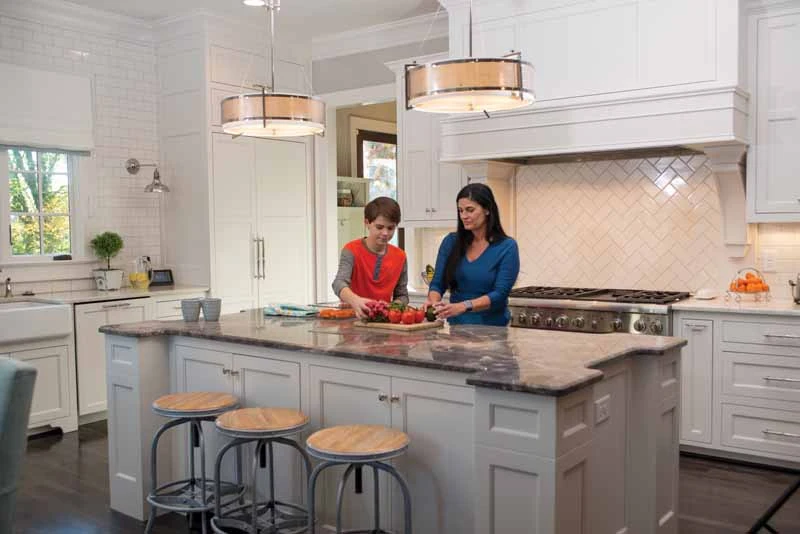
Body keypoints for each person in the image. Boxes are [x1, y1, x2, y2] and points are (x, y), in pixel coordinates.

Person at [425, 183, 520, 326]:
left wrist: (464, 306)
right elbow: (438, 283)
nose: (464, 216)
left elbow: (500, 294)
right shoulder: (451, 242)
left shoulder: (507, 247)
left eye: (470, 210)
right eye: (460, 210)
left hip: (493, 333)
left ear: (487, 209)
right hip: (457, 330)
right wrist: (433, 302)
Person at [332, 197, 409, 319]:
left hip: (383, 321)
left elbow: (402, 295)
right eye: (379, 227)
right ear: (367, 223)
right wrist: (355, 301)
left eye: (390, 228)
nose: (385, 233)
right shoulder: (351, 250)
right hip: (353, 320)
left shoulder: (400, 256)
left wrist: (392, 307)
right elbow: (338, 283)